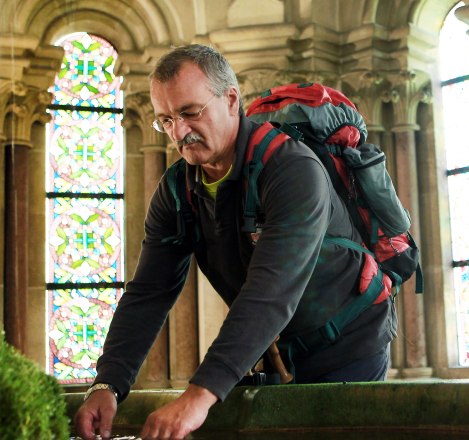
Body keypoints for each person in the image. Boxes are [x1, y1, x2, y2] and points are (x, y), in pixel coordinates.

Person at [74, 44, 397, 440]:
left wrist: (199, 395)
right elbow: (148, 293)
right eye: (166, 120)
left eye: (191, 112)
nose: (179, 132)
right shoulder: (177, 189)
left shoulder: (293, 169)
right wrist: (107, 384)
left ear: (230, 99)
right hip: (278, 351)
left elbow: (270, 292)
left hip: (350, 344)